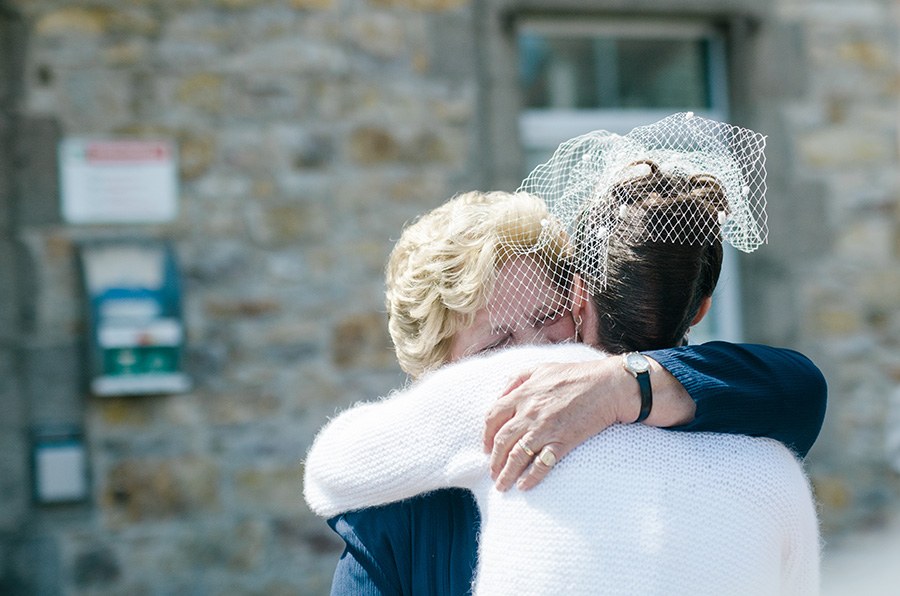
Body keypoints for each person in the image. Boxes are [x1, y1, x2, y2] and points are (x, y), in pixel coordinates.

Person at [309, 116, 825, 594]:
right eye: (496, 345)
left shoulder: (635, 420)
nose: (532, 361)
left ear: (579, 299)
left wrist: (625, 384)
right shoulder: (395, 514)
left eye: (546, 318)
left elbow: (800, 389)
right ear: (437, 372)